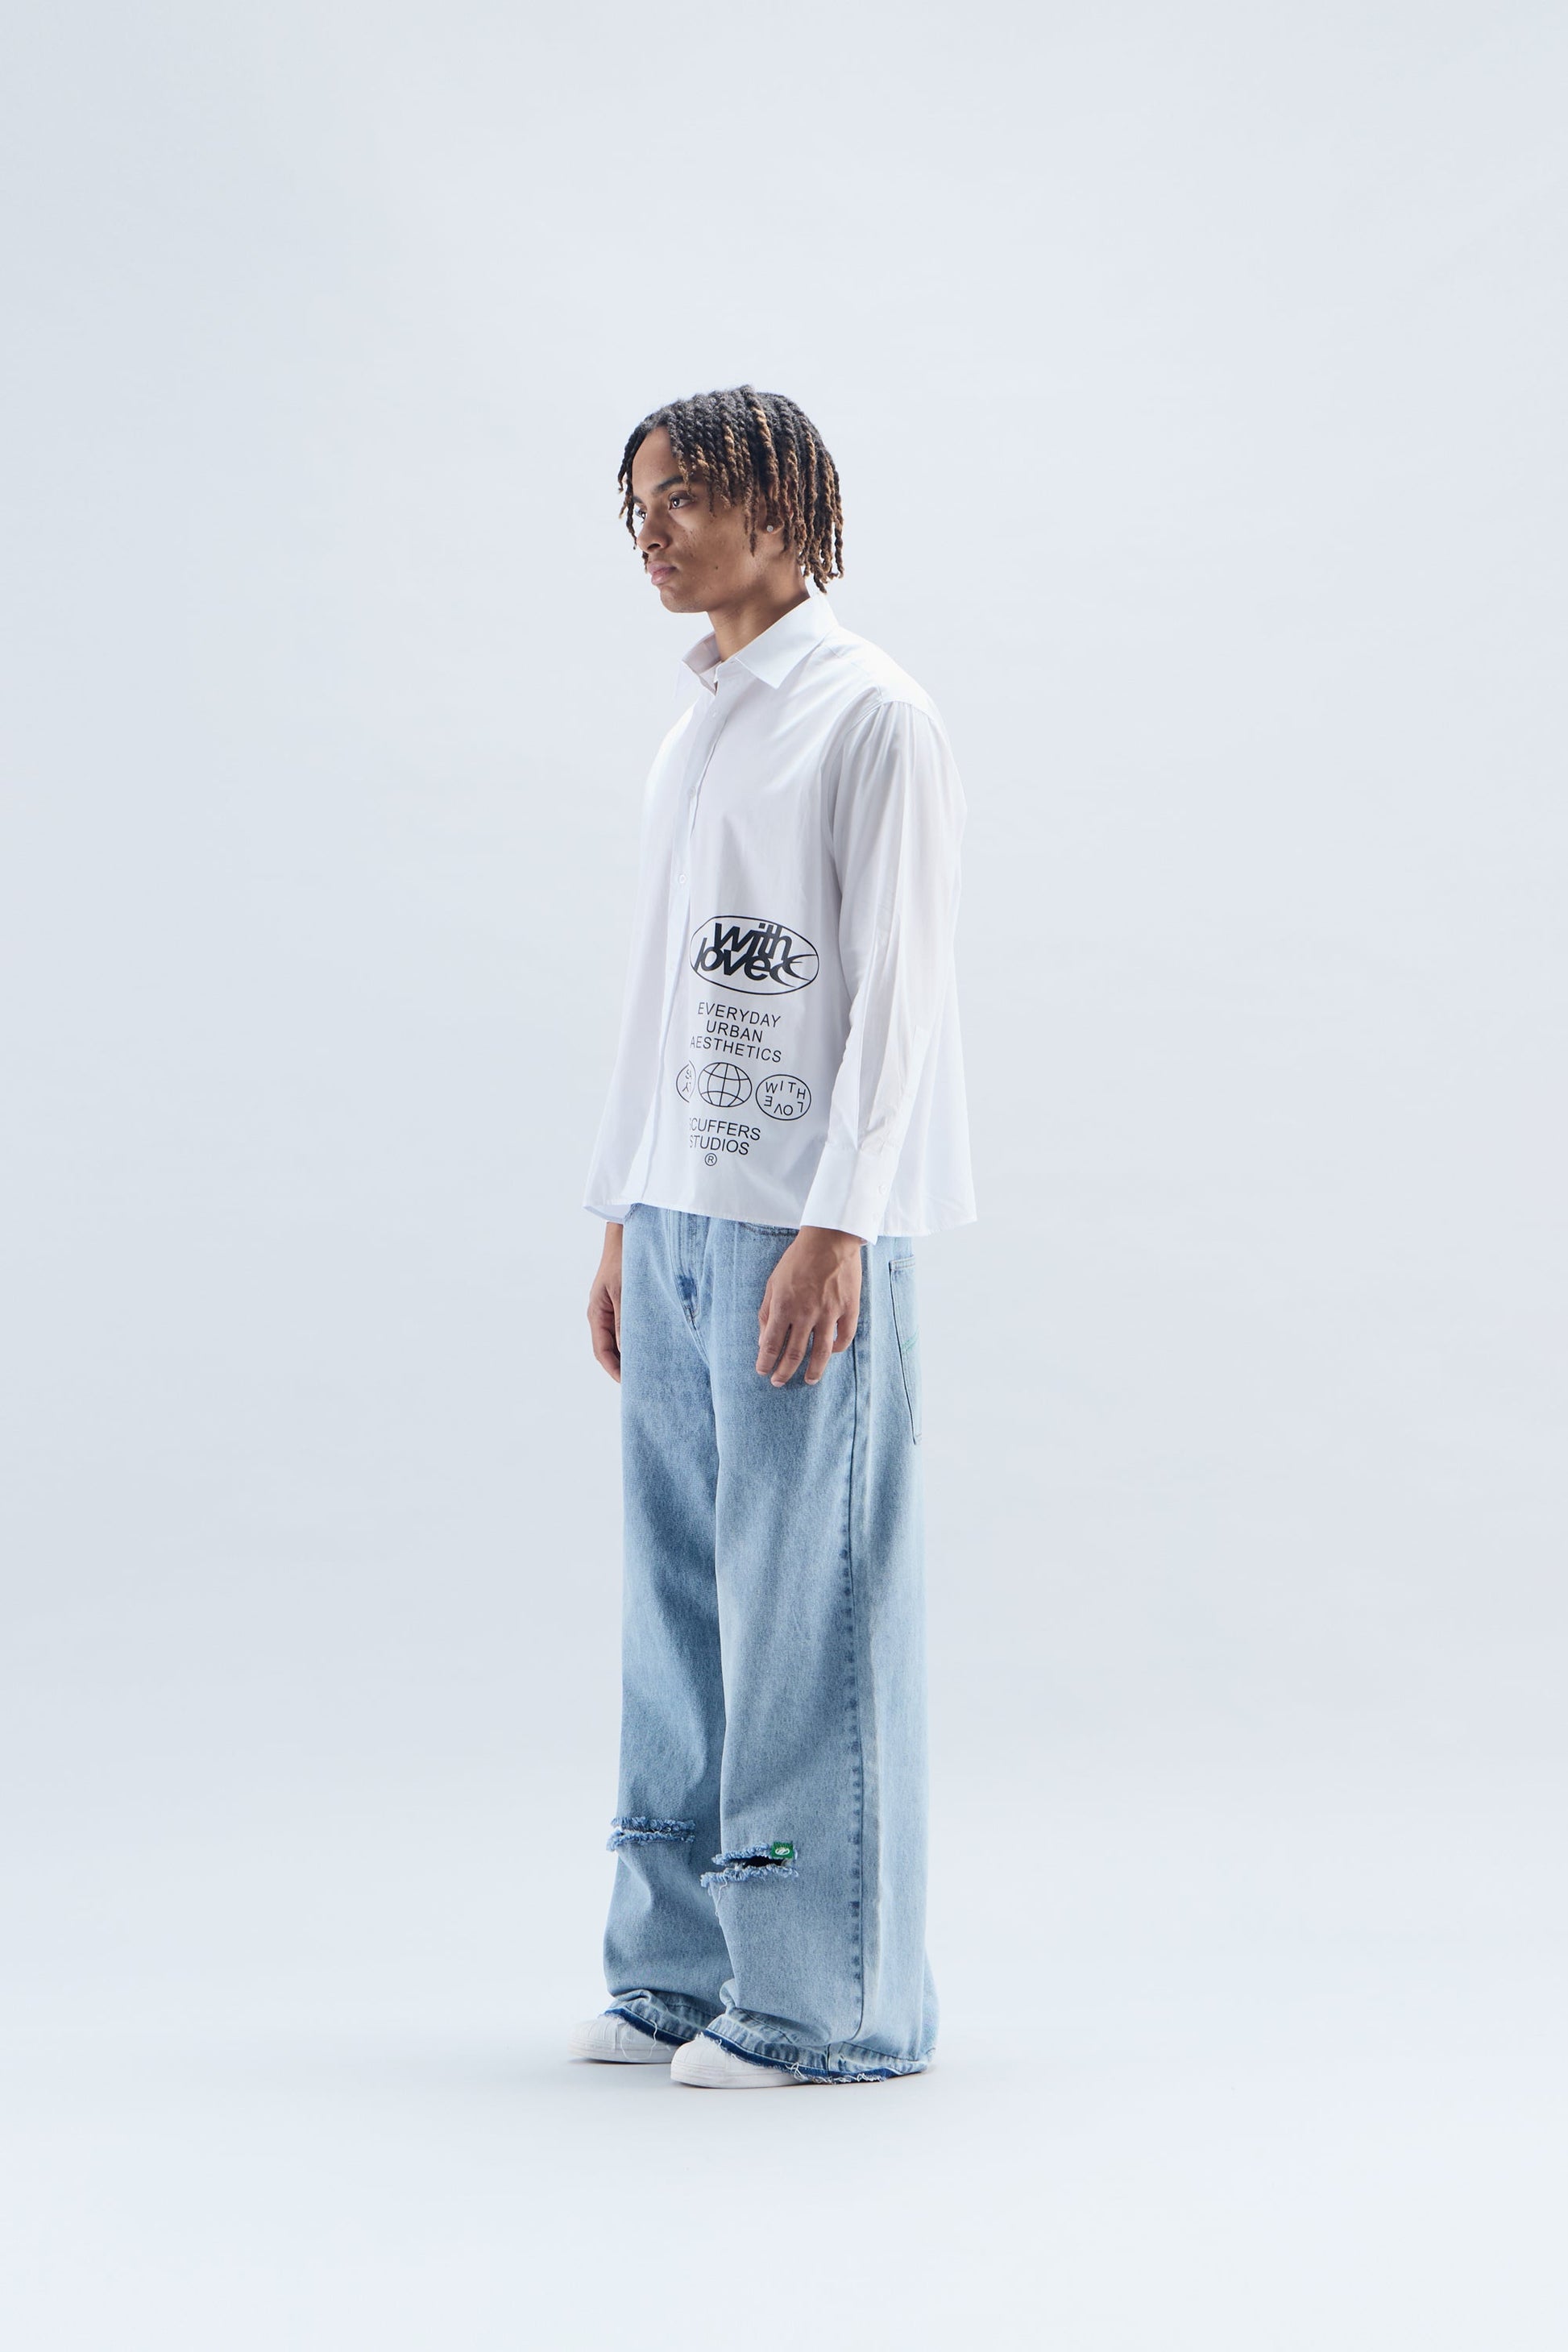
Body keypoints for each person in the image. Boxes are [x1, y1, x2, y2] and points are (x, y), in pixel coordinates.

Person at [570, 385, 974, 2087]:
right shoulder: (697, 733)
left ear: (779, 506)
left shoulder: (868, 715)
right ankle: (675, 1970)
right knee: (675, 1600)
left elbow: (898, 993)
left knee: (804, 1600)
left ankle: (829, 2002)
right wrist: (618, 1210)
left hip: (796, 1226)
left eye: (680, 498)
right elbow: (658, 994)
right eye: (636, 506)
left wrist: (840, 1223)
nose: (651, 533)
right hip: (678, 1213)